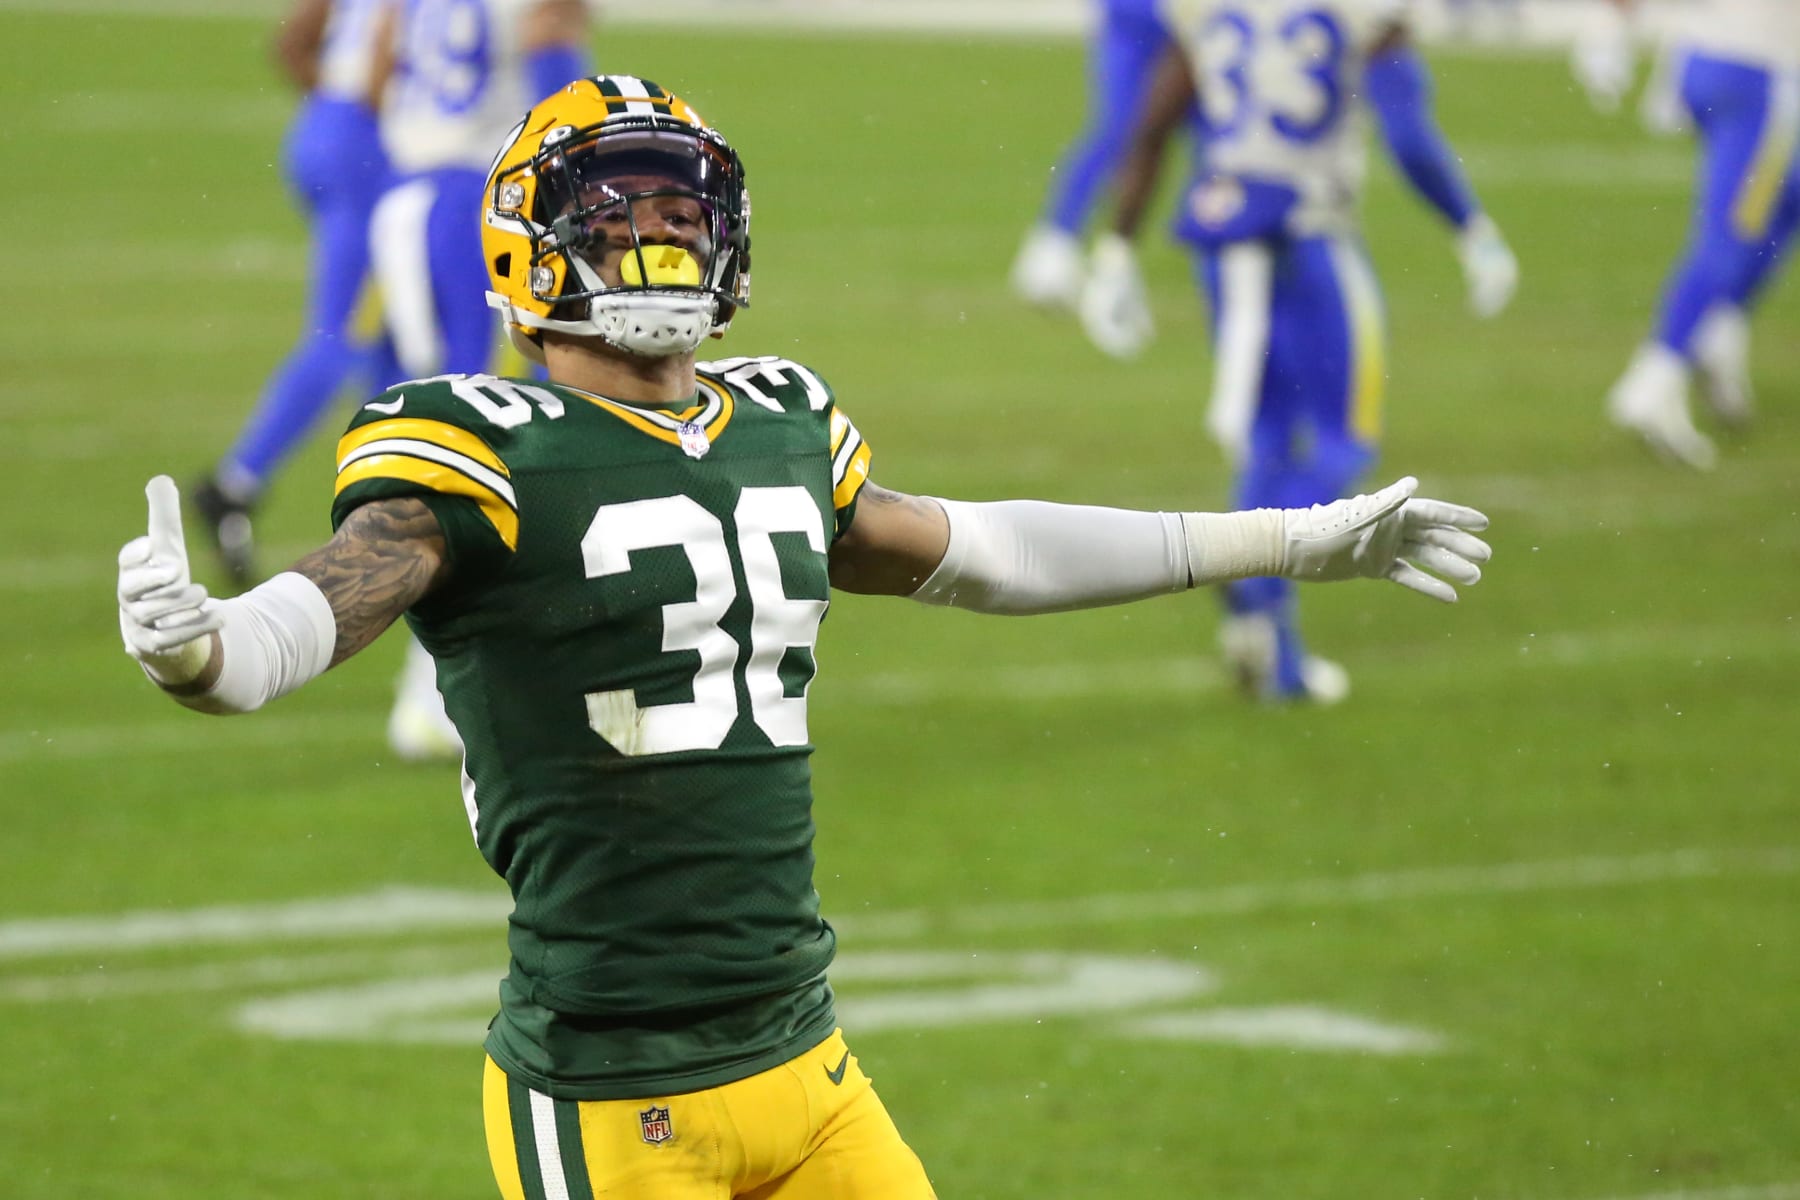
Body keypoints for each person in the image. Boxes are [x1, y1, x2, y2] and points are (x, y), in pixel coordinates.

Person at [117, 75, 1494, 1198]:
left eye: (681, 211)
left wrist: (1281, 540)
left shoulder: (775, 420)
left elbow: (988, 552)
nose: (661, 242)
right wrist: (207, 650)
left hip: (807, 1065)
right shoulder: (480, 445)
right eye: (621, 216)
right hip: (612, 1092)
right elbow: (331, 597)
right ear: (533, 247)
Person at [1078, 0, 1518, 702]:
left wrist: (1117, 247)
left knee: (1269, 444)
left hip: (1226, 241)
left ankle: (1273, 654)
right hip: (1311, 237)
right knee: (1345, 444)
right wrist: (1471, 227)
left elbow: (1156, 119)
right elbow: (1407, 133)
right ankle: (1248, 585)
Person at [368, 0, 593, 757]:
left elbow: (378, 66)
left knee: (433, 426)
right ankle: (437, 685)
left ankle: (432, 679)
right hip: (475, 202)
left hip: (402, 196)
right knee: (481, 434)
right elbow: (555, 44)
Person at [191, 0, 401, 590]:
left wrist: (335, 107)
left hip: (325, 129)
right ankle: (235, 483)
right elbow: (393, 65)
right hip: (369, 146)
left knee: (391, 333)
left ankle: (394, 493)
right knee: (346, 334)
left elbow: (291, 43)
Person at [1575, 0, 1800, 470]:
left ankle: (1719, 331)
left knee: (1786, 198)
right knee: (1732, 232)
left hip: (1704, 56)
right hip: (1754, 68)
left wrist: (1612, 23)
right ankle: (1657, 374)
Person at [1007, 0, 1197, 310]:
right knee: (1119, 129)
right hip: (1141, 18)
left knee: (1221, 141)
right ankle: (1056, 242)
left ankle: (1219, 251)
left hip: (1199, 24)